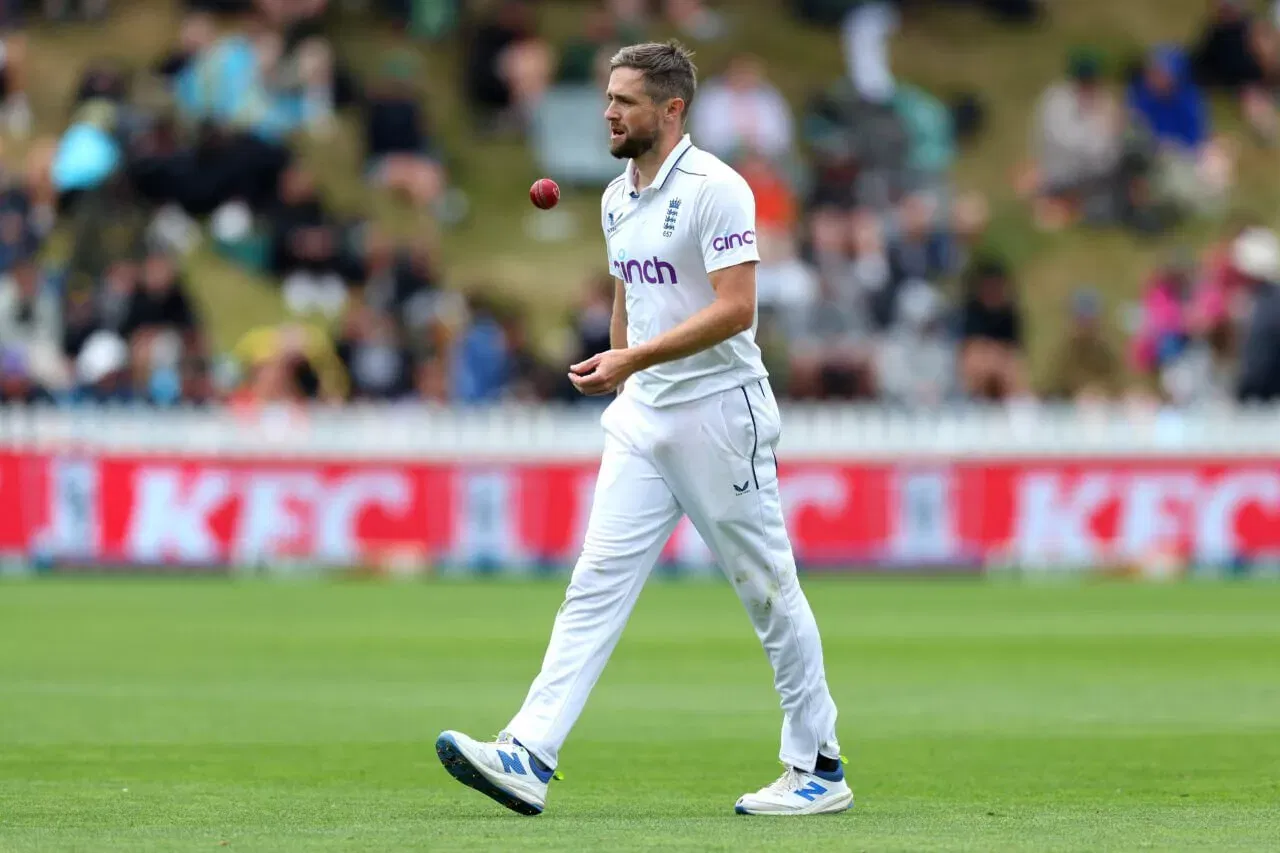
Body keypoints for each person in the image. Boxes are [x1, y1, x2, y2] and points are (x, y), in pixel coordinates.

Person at [436, 41, 848, 819]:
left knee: (767, 591)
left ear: (671, 109)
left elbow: (736, 309)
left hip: (721, 410)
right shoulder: (616, 196)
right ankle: (528, 750)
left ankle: (818, 763)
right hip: (644, 416)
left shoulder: (716, 188)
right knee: (594, 581)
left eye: (624, 101)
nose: (608, 112)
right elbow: (632, 285)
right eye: (607, 98)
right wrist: (625, 368)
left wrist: (635, 353)